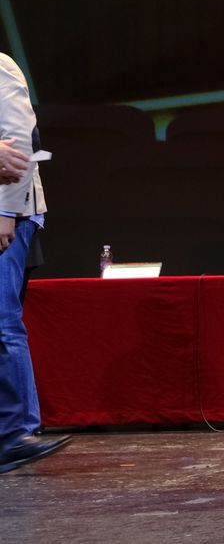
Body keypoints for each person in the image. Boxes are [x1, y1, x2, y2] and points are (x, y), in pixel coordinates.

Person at [0, 53, 70, 474]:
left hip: (10, 210)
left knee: (1, 322)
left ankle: (14, 434)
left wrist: (4, 212)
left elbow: (19, 142)